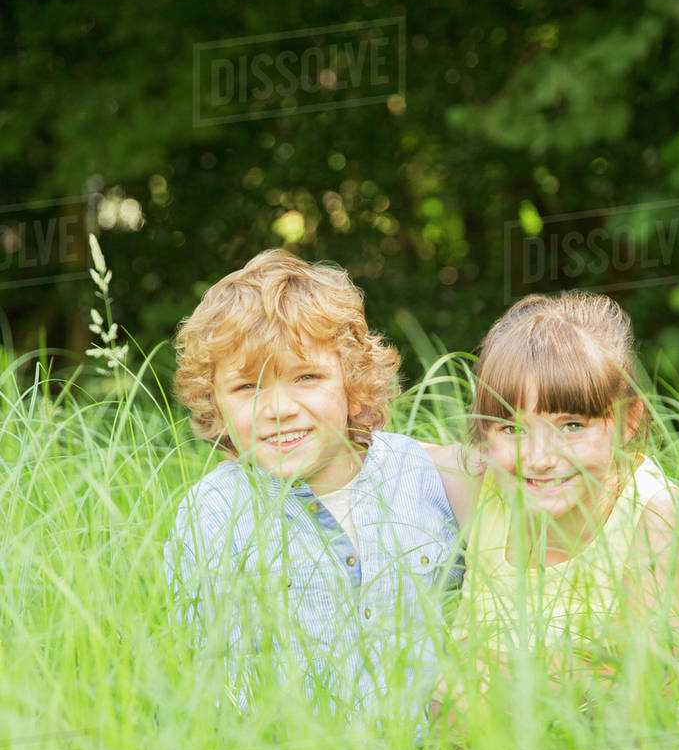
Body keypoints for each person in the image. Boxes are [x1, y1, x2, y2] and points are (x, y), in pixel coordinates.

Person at [164, 249, 462, 722]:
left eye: (307, 377)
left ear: (353, 382)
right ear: (214, 402)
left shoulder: (427, 477)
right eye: (247, 387)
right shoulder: (213, 513)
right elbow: (215, 686)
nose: (279, 408)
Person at [425, 290, 679, 713]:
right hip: (485, 748)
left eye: (571, 425)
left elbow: (638, 680)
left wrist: (478, 682)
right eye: (511, 430)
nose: (539, 458)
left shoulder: (653, 511)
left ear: (629, 420)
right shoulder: (488, 482)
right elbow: (363, 449)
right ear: (484, 432)